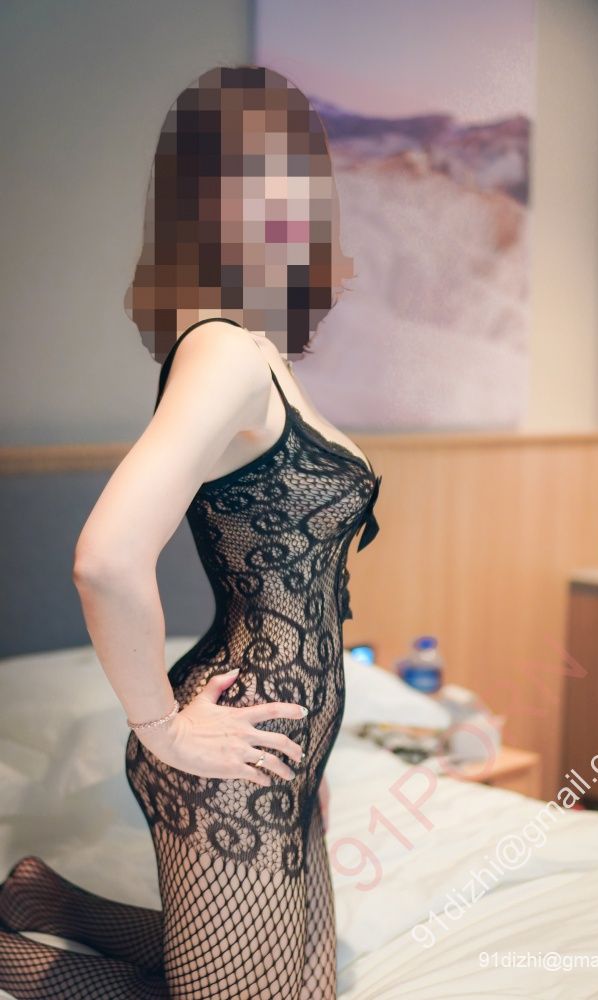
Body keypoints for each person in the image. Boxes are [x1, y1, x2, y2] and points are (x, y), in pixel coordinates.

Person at [0, 64, 382, 999]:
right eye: (249, 176)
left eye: (296, 172)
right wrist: (161, 730)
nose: (284, 198)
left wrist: (312, 763)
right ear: (199, 203)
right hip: (228, 749)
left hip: (283, 748)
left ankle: (48, 898)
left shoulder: (261, 354)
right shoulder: (220, 351)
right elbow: (105, 560)